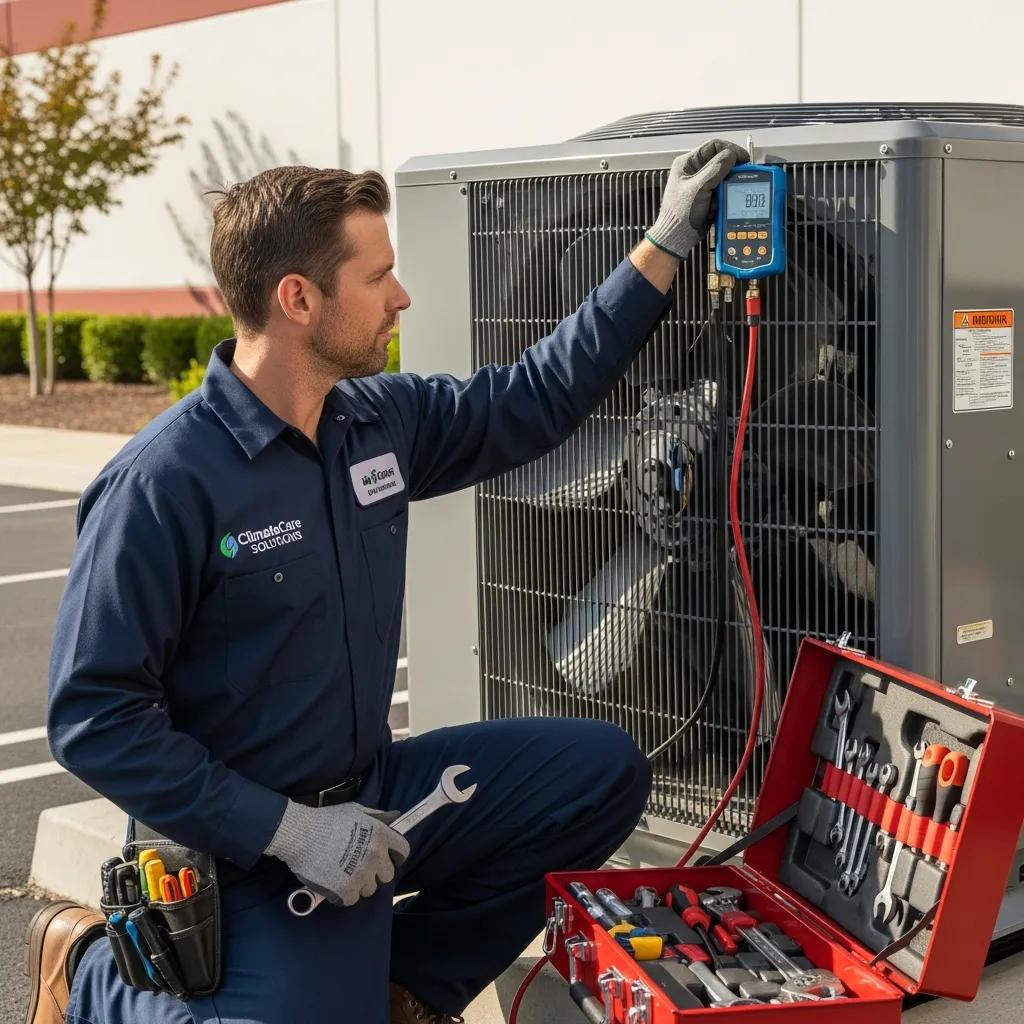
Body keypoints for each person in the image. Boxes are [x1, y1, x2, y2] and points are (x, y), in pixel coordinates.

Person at [26, 138, 747, 1024]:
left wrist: (665, 243)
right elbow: (93, 719)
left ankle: (406, 988)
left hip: (375, 799)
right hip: (239, 848)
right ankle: (89, 967)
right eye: (378, 277)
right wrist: (291, 833)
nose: (400, 296)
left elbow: (534, 398)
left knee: (599, 775)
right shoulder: (165, 482)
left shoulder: (377, 421)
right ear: (299, 298)